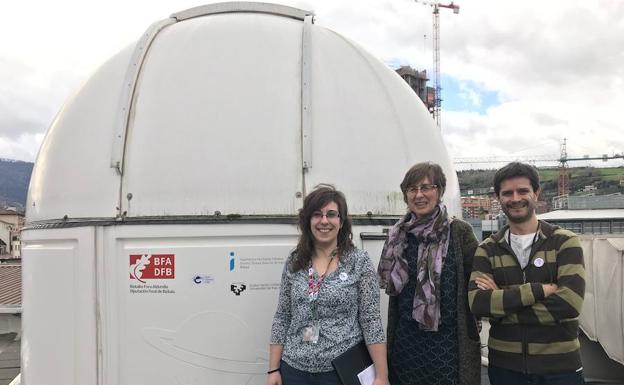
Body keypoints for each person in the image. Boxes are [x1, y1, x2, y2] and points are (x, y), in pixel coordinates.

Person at [468, 162, 585, 385]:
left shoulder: (565, 242)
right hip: (505, 369)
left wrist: (501, 306)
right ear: (498, 197)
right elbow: (479, 303)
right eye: (507, 193)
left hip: (561, 368)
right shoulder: (487, 249)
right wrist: (540, 290)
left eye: (522, 191)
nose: (515, 198)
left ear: (536, 193)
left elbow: (569, 304)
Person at [268, 185, 389, 385]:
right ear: (308, 221)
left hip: (340, 372)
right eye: (317, 214)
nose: (324, 221)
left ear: (341, 222)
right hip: (294, 371)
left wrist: (381, 376)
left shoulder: (358, 262)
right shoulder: (294, 261)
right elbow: (282, 316)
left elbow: (371, 320)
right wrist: (273, 369)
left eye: (331, 214)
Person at [378, 162, 481, 385]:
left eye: (426, 187)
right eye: (412, 189)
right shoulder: (398, 235)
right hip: (406, 344)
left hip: (449, 346)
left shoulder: (459, 232)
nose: (419, 195)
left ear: (440, 191)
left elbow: (478, 282)